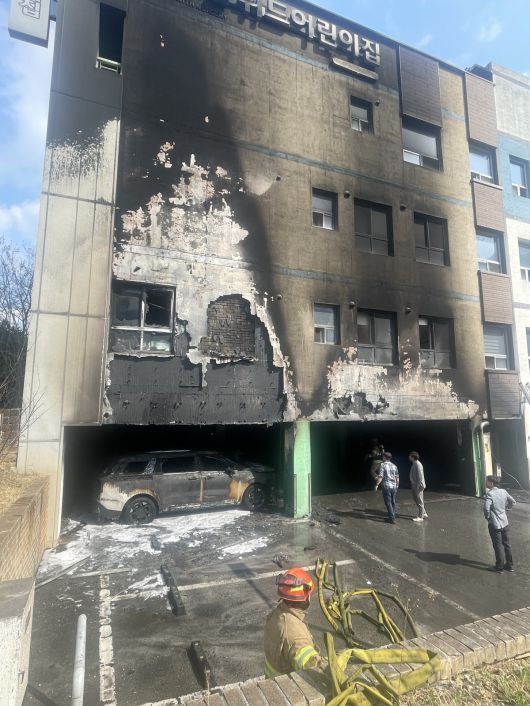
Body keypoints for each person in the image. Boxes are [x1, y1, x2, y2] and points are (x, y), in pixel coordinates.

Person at [264, 567, 325, 678]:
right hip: (287, 684)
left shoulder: (277, 614)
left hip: (273, 679)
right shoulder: (296, 634)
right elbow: (314, 669)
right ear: (306, 597)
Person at [483, 475, 516, 572]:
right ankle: (509, 565)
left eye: (486, 481)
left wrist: (488, 517)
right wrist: (507, 509)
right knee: (507, 544)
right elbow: (513, 502)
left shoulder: (490, 494)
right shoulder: (503, 491)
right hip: (505, 522)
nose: (485, 483)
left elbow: (486, 508)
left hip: (495, 524)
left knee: (498, 545)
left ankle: (499, 567)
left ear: (491, 483)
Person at [374, 452, 399, 523]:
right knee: (393, 502)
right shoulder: (394, 466)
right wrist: (397, 486)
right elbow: (397, 477)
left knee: (388, 503)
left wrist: (377, 485)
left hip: (386, 486)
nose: (382, 458)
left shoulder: (382, 465)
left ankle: (392, 519)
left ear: (385, 457)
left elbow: (381, 476)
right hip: (394, 486)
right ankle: (392, 516)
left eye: (383, 456)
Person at [409, 451, 428, 521]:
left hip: (418, 485)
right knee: (416, 499)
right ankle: (424, 513)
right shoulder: (414, 463)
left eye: (410, 456)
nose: (409, 457)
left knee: (419, 501)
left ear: (413, 457)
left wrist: (417, 486)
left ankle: (420, 517)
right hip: (415, 485)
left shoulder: (418, 464)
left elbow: (420, 477)